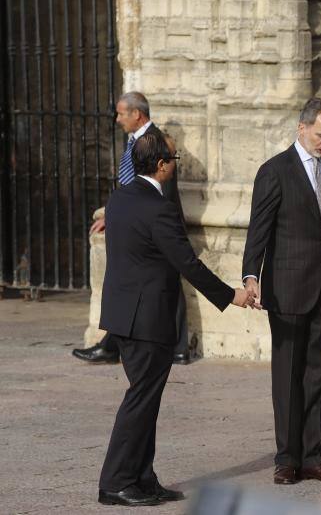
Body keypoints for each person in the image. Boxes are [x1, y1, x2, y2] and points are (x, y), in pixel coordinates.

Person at [97, 133, 254, 506]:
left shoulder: (120, 198)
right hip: (148, 318)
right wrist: (231, 295)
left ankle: (141, 477)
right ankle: (116, 482)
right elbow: (186, 262)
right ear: (163, 164)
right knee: (141, 399)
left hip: (125, 315)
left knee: (146, 398)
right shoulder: (158, 207)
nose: (175, 163)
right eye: (174, 157)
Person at [242, 98, 321, 485]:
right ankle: (286, 458)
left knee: (318, 374)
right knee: (287, 375)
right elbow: (258, 230)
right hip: (285, 289)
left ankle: (313, 456)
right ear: (301, 129)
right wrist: (251, 276)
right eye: (320, 135)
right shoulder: (274, 171)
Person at [72, 91, 192, 365]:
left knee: (169, 280)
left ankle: (176, 347)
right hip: (143, 220)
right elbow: (131, 186)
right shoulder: (136, 141)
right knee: (155, 280)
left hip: (155, 221)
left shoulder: (157, 142)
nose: (117, 119)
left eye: (122, 113)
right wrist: (114, 215)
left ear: (136, 114)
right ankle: (115, 344)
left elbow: (163, 189)